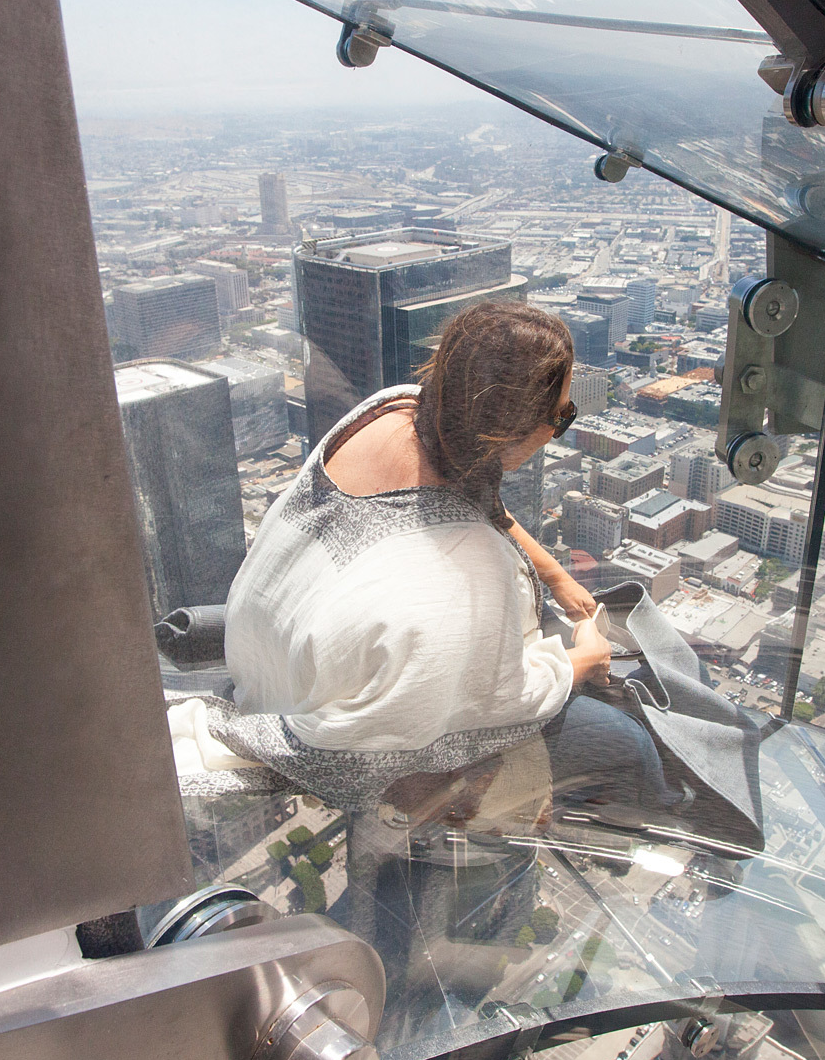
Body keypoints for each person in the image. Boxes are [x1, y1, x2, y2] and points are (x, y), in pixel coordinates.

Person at [221, 301, 681, 816]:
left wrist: (553, 575)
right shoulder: (472, 569)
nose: (559, 430)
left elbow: (478, 494)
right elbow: (496, 701)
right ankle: (661, 824)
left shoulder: (393, 410)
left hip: (263, 657)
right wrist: (580, 662)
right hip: (311, 706)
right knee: (628, 745)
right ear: (512, 428)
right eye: (561, 417)